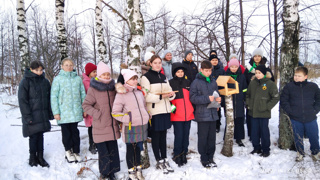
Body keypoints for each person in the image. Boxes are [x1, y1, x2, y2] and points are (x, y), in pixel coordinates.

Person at [82, 61, 120, 180]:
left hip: (112, 125)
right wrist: (97, 114)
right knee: (103, 152)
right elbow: (86, 105)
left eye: (108, 74)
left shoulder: (113, 88)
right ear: (98, 75)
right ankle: (104, 173)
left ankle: (112, 172)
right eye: (104, 74)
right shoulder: (94, 89)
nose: (107, 77)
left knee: (113, 150)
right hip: (100, 126)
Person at [112, 69, 151, 180]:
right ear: (126, 80)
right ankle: (131, 171)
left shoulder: (139, 92)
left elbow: (143, 106)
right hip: (130, 126)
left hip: (141, 125)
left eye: (135, 79)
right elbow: (115, 113)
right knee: (130, 149)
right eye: (131, 79)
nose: (134, 81)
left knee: (138, 148)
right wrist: (128, 118)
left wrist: (147, 114)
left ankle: (138, 170)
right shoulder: (121, 94)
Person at [140, 55, 176, 174]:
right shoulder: (145, 77)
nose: (158, 65)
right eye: (155, 63)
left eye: (159, 62)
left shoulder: (163, 76)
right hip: (155, 111)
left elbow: (170, 91)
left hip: (165, 110)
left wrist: (171, 95)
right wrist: (161, 96)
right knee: (156, 137)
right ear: (150, 64)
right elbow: (145, 96)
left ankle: (164, 158)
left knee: (163, 136)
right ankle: (158, 160)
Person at [280, 67, 320, 161]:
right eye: (295, 75)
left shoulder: (313, 86)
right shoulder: (289, 87)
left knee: (313, 135)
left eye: (299, 76)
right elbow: (284, 100)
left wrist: (315, 110)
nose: (296, 77)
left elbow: (319, 99)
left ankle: (316, 152)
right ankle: (300, 152)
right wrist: (290, 111)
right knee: (298, 136)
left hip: (310, 117)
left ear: (305, 76)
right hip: (296, 117)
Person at [51, 58, 86, 163]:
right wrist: (56, 112)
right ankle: (68, 151)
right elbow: (54, 96)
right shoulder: (58, 79)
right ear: (62, 66)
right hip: (64, 112)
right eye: (66, 65)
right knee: (66, 133)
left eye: (71, 65)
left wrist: (84, 109)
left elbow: (83, 94)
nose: (69, 67)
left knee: (75, 132)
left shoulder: (78, 79)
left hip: (75, 110)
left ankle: (76, 151)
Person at [18, 61, 52, 167]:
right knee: (33, 137)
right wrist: (27, 116)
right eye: (37, 70)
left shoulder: (45, 81)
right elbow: (22, 100)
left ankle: (40, 157)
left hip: (42, 115)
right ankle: (32, 157)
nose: (39, 72)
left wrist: (50, 113)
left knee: (40, 136)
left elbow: (49, 98)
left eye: (41, 70)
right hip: (31, 115)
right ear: (31, 69)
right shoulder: (25, 82)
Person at [190, 60, 221, 168]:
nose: (208, 73)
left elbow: (217, 93)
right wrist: (206, 98)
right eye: (206, 71)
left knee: (212, 137)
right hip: (202, 114)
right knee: (203, 137)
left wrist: (217, 101)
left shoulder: (213, 81)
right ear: (201, 70)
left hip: (213, 112)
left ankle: (211, 157)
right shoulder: (196, 82)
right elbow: (193, 98)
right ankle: (204, 157)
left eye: (210, 71)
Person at [246, 65, 279, 157]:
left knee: (264, 132)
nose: (257, 75)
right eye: (256, 73)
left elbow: (276, 98)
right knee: (254, 131)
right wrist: (248, 104)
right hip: (253, 112)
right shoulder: (253, 83)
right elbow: (248, 95)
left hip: (263, 113)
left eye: (259, 73)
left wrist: (267, 106)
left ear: (264, 74)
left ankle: (266, 149)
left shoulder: (270, 84)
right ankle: (256, 147)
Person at [244, 48, 275, 140]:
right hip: (252, 96)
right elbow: (245, 81)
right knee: (250, 117)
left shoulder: (266, 68)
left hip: (263, 96)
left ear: (261, 57)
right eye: (255, 56)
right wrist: (246, 97)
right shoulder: (248, 68)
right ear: (253, 57)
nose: (257, 58)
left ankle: (262, 135)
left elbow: (271, 81)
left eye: (259, 56)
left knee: (262, 118)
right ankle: (252, 135)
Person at [169, 62, 194, 167]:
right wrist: (173, 109)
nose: (180, 73)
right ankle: (177, 153)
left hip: (188, 113)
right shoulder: (170, 83)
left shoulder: (188, 82)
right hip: (177, 115)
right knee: (178, 135)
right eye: (178, 72)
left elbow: (191, 97)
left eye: (182, 71)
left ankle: (184, 152)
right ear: (174, 73)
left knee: (186, 135)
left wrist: (192, 109)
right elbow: (168, 100)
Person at [225, 59, 247, 147]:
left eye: (235, 67)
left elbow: (245, 88)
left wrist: (243, 96)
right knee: (230, 119)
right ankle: (228, 136)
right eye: (232, 67)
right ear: (229, 67)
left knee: (239, 120)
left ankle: (239, 138)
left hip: (239, 101)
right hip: (229, 101)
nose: (233, 68)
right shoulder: (226, 76)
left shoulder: (241, 76)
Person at [82, 62, 97, 154]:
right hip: (89, 108)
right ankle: (92, 145)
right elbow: (83, 96)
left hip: (97, 108)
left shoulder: (97, 81)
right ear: (88, 72)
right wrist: (85, 109)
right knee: (91, 128)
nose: (95, 73)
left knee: (97, 127)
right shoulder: (84, 82)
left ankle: (97, 143)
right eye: (93, 72)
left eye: (96, 71)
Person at [209, 54, 225, 133]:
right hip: (210, 92)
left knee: (217, 109)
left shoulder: (221, 70)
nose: (214, 62)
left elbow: (224, 79)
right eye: (213, 60)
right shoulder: (208, 70)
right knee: (210, 108)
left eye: (216, 60)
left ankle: (217, 125)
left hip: (219, 91)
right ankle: (211, 125)